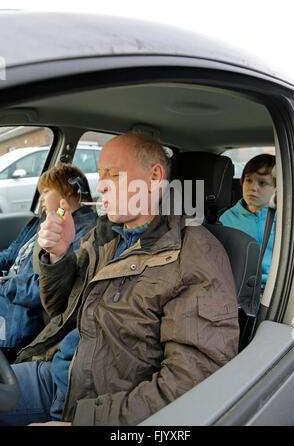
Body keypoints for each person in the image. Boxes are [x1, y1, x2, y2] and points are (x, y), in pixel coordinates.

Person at [0, 133, 239, 426]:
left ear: (153, 177)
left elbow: (191, 382)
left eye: (112, 175)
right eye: (100, 174)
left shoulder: (197, 258)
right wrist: (59, 257)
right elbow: (59, 306)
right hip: (55, 375)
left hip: (100, 406)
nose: (99, 186)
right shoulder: (105, 234)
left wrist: (85, 422)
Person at [0, 162, 97, 362]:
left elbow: (49, 287)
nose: (41, 199)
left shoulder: (85, 233)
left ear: (69, 190)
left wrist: (4, 285)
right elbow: (10, 255)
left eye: (45, 191)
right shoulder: (40, 221)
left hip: (19, 312)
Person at [220, 153, 276, 288]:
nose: (253, 188)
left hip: (276, 289)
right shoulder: (226, 219)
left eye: (262, 183)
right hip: (239, 288)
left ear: (276, 188)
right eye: (248, 180)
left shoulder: (285, 220)